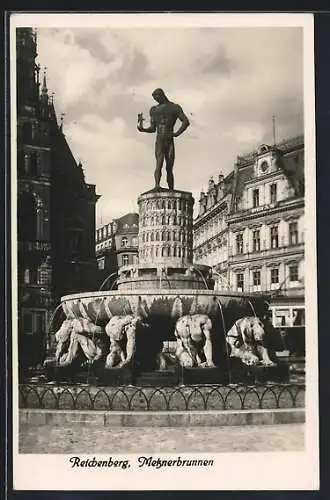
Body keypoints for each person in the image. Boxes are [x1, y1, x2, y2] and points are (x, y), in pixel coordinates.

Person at [137, 88, 190, 190]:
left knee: (169, 166)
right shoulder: (154, 110)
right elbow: (153, 128)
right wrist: (142, 129)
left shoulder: (174, 107)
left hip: (168, 138)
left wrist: (177, 133)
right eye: (154, 98)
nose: (156, 100)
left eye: (157, 97)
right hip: (161, 139)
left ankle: (170, 188)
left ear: (162, 95)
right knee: (159, 163)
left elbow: (186, 121)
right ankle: (157, 185)